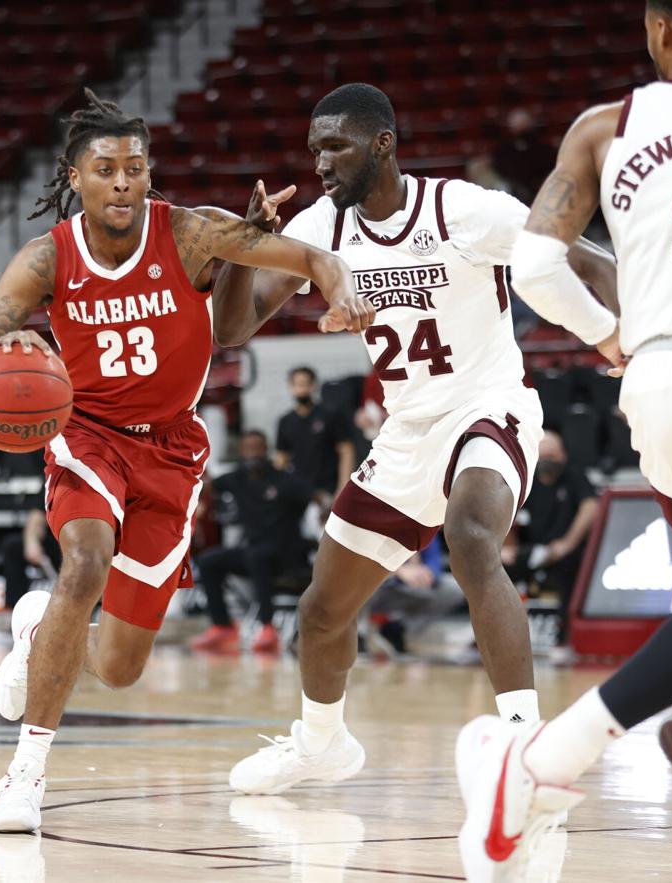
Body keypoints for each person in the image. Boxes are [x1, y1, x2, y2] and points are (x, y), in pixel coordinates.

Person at [0, 89, 372, 833]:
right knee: (84, 562)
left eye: (135, 168)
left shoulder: (194, 234)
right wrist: (9, 347)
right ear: (75, 177)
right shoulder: (48, 259)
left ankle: (38, 624)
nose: (122, 182)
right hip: (89, 435)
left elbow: (300, 255)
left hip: (171, 449)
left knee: (119, 666)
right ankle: (23, 776)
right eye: (105, 168)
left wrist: (334, 275)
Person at [209, 82, 619, 796]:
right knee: (320, 609)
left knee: (469, 534)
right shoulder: (320, 227)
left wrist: (642, 330)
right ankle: (322, 742)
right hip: (407, 430)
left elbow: (579, 258)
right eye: (314, 150)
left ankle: (526, 747)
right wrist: (244, 247)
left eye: (335, 147)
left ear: (383, 144)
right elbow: (231, 329)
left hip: (491, 406)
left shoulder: (462, 209)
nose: (321, 164)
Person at [456, 2, 672, 880]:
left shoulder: (606, 128)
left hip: (663, 378)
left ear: (657, 31)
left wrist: (609, 335)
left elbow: (533, 267)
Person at [191, 429, 316, 654]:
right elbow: (204, 486)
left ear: (265, 450)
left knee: (258, 556)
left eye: (257, 448)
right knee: (208, 560)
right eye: (248, 449)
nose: (253, 453)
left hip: (286, 554)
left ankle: (268, 628)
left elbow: (316, 497)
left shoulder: (284, 479)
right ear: (242, 451)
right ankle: (222, 625)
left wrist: (326, 509)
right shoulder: (236, 478)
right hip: (252, 551)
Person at [501, 430, 599, 634]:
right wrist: (507, 547)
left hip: (564, 550)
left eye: (552, 457)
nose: (547, 462)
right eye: (542, 457)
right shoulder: (526, 481)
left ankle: (564, 636)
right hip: (530, 549)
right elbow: (508, 515)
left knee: (571, 566)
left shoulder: (575, 477)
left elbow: (590, 507)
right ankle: (491, 635)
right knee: (496, 567)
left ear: (562, 455)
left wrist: (567, 544)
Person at [275, 366, 355, 502]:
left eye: (305, 384)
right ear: (291, 387)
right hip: (299, 492)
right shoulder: (285, 421)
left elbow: (346, 451)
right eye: (297, 384)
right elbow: (281, 459)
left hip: (328, 487)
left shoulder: (329, 415)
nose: (302, 389)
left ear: (313, 386)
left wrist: (343, 488)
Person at [467, 108, 559, 206]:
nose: (519, 127)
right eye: (517, 124)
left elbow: (545, 165)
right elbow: (498, 162)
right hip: (507, 183)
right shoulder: (506, 145)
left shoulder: (540, 147)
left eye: (522, 124)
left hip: (533, 186)